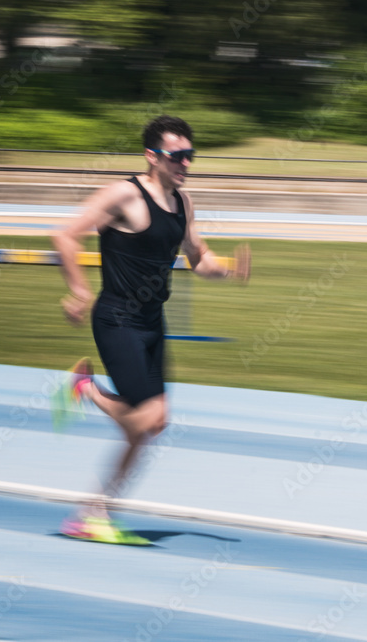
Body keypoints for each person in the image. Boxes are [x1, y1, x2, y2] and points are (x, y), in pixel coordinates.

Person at [51, 115, 251, 544]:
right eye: (177, 155)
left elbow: (199, 259)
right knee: (149, 419)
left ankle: (94, 513)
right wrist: (79, 290)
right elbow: (65, 236)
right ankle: (85, 388)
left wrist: (230, 270)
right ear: (151, 156)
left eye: (189, 156)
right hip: (117, 319)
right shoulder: (125, 194)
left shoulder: (183, 203)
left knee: (149, 428)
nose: (185, 163)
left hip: (152, 324)